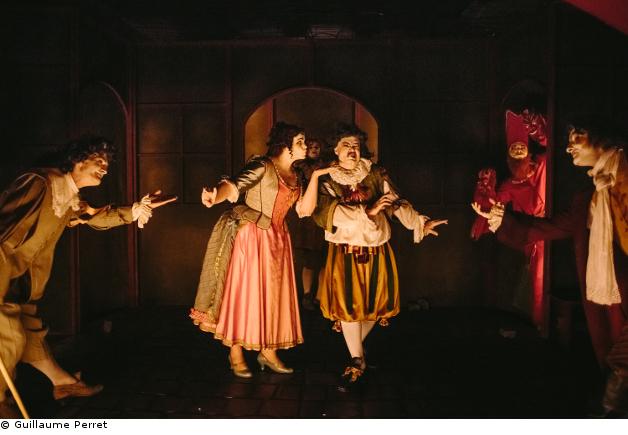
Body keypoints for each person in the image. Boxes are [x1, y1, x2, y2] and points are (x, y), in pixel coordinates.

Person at [0, 136, 176, 418]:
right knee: (9, 337)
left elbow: (93, 216)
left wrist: (135, 210)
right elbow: (3, 229)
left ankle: (63, 383)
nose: (105, 167)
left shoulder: (69, 195)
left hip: (21, 282)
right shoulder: (39, 182)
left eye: (107, 163)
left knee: (29, 332)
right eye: (99, 160)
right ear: (78, 160)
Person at [473, 116, 628, 417]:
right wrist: (503, 220)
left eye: (577, 137)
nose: (568, 147)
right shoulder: (590, 196)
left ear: (602, 137)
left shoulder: (623, 179)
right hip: (613, 297)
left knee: (617, 381)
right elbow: (554, 226)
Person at [301, 124, 447, 392]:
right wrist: (368, 212)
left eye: (356, 145)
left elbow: (395, 202)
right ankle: (357, 362)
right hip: (345, 251)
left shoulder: (374, 173)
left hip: (377, 248)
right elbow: (325, 214)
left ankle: (357, 352)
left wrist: (418, 223)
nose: (352, 150)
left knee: (376, 305)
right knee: (348, 307)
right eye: (346, 145)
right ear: (335, 150)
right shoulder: (327, 179)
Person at [190, 122, 331, 378]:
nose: (305, 146)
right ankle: (235, 353)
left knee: (274, 295)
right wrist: (215, 196)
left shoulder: (298, 174)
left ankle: (268, 352)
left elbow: (304, 210)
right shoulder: (263, 165)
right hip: (253, 236)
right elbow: (236, 185)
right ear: (285, 145)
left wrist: (317, 177)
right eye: (300, 141)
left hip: (279, 238)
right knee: (244, 293)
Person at [293, 137, 328, 311]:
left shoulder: (328, 165)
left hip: (327, 215)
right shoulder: (300, 167)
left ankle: (319, 296)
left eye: (317, 147)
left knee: (325, 259)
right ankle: (307, 295)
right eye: (311, 147)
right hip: (309, 217)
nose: (314, 150)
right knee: (309, 259)